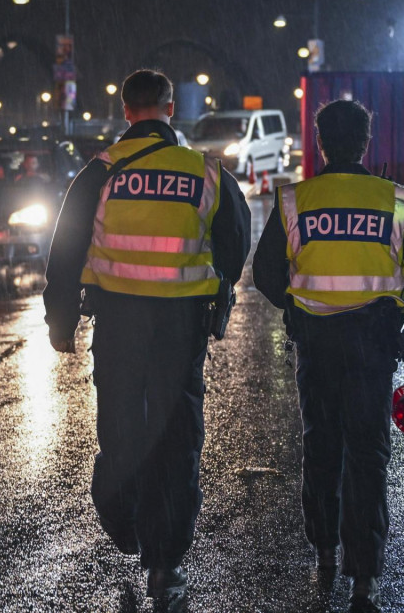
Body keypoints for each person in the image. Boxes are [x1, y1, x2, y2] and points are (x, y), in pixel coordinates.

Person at [43, 69, 250, 605]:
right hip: (180, 328)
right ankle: (165, 563)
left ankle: (126, 519)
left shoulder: (100, 171)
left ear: (127, 111)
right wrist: (218, 289)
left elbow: (65, 249)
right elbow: (236, 235)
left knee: (119, 432)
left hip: (119, 324)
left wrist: (60, 320)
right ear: (169, 107)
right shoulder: (204, 171)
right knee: (177, 436)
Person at [252, 99, 404, 613]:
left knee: (321, 446)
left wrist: (298, 306)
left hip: (316, 344)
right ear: (366, 143)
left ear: (320, 143)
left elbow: (266, 274)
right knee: (367, 455)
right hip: (373, 344)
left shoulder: (297, 200)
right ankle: (362, 578)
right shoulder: (395, 199)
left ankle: (323, 553)